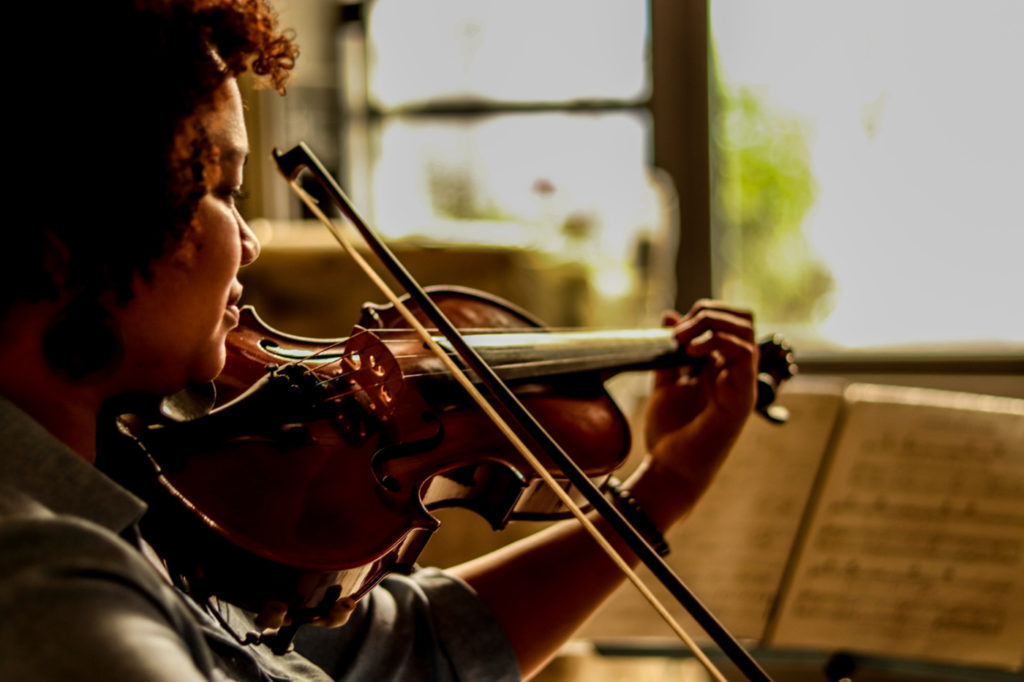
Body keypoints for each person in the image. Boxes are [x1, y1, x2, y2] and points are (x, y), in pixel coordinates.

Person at [0, 1, 760, 680]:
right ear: (73, 236)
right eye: (222, 191)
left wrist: (664, 488)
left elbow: (414, 651)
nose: (249, 245)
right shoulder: (48, 587)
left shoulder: (137, 515)